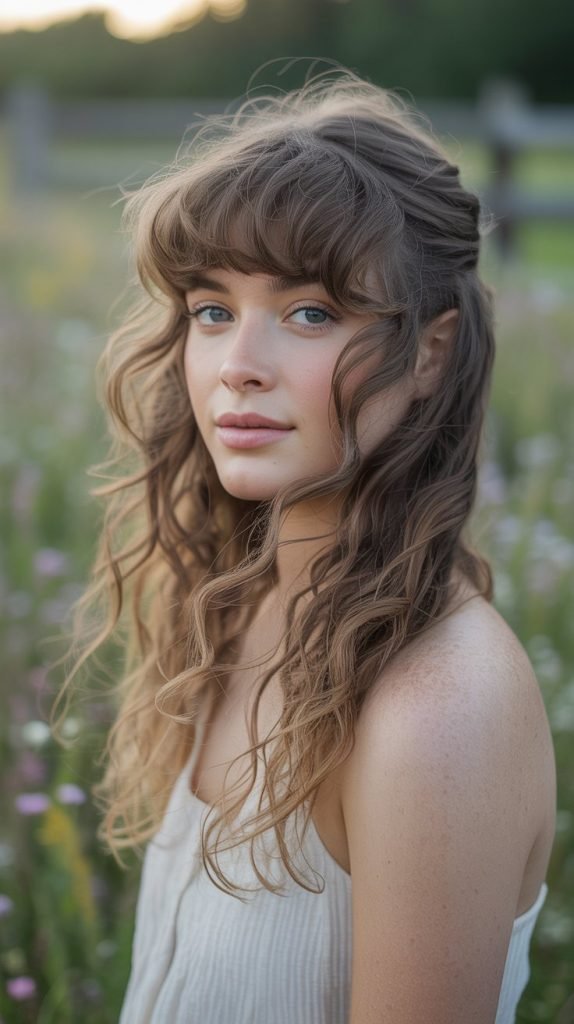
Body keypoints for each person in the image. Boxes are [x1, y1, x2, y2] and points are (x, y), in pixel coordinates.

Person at [53, 65, 556, 1023]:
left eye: (310, 314)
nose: (238, 367)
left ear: (432, 353)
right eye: (212, 310)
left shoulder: (437, 709)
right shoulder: (239, 605)